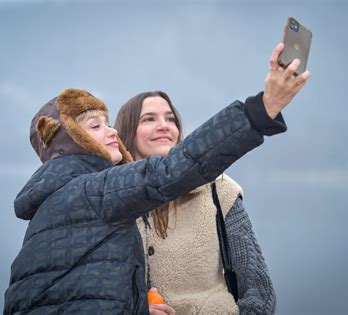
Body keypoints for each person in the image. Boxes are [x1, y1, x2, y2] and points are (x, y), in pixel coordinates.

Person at [4, 43, 309, 314]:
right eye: (95, 126)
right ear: (70, 141)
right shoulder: (99, 192)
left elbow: (72, 295)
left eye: (171, 118)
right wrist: (262, 109)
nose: (110, 131)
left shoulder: (48, 208)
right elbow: (173, 169)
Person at [114, 43, 309, 315]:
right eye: (149, 119)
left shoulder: (220, 191)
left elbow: (259, 291)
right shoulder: (114, 200)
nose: (164, 125)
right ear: (127, 132)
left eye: (171, 119)